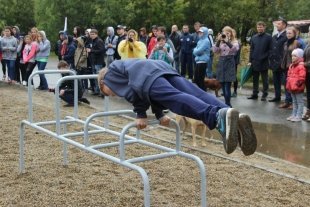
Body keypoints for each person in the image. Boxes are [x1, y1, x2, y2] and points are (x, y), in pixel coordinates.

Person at [97, 59, 257, 156]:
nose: (113, 95)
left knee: (176, 101)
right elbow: (148, 93)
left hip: (148, 76)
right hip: (161, 69)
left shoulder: (109, 75)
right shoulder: (127, 66)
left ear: (103, 83)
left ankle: (216, 117)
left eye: (107, 93)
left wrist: (140, 113)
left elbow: (134, 91)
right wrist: (159, 114)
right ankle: (233, 116)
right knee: (196, 94)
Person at [213, 26, 239, 107]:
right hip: (221, 62)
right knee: (222, 84)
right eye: (224, 32)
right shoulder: (221, 42)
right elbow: (215, 51)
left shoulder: (234, 41)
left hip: (229, 61)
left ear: (231, 33)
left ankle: (228, 104)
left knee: (227, 84)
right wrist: (218, 40)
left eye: (228, 32)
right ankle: (226, 103)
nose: (226, 34)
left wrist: (227, 41)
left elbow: (235, 49)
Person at [247, 21, 272, 101]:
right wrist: (250, 60)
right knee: (255, 79)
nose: (259, 28)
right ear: (256, 28)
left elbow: (270, 50)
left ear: (264, 27)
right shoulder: (254, 37)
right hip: (255, 61)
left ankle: (264, 94)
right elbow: (251, 49)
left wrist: (265, 57)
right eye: (258, 27)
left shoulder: (268, 37)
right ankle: (255, 94)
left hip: (264, 61)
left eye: (261, 27)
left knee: (265, 80)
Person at [279, 26, 301, 109]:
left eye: (290, 33)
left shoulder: (297, 43)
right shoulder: (285, 43)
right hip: (285, 67)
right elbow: (284, 55)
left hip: (294, 67)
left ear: (294, 34)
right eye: (287, 33)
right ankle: (287, 101)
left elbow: (300, 55)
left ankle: (293, 102)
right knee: (286, 85)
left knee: (292, 85)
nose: (288, 35)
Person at [269, 18, 288, 102]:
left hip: (283, 63)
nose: (277, 25)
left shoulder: (286, 36)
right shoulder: (274, 36)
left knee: (285, 82)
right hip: (274, 62)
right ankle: (277, 96)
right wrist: (270, 57)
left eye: (279, 24)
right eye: (277, 24)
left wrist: (282, 61)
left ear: (284, 25)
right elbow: (271, 49)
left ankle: (288, 99)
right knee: (276, 81)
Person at [286, 48, 306, 122]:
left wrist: (297, 85)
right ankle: (294, 114)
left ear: (299, 57)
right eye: (292, 56)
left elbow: (302, 77)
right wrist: (288, 82)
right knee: (294, 102)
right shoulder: (291, 66)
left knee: (299, 102)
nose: (293, 57)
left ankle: (299, 116)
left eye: (295, 56)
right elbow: (288, 75)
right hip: (292, 87)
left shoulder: (301, 66)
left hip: (298, 88)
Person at [86, 29, 105, 95]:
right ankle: (97, 91)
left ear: (96, 34)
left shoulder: (99, 41)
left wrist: (91, 51)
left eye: (93, 34)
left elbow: (101, 50)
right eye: (91, 34)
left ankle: (102, 91)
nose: (92, 35)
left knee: (99, 77)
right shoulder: (91, 41)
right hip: (93, 62)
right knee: (95, 77)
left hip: (98, 62)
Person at [193, 26, 210, 91]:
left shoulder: (206, 41)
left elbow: (199, 51)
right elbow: (195, 51)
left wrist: (195, 51)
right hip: (198, 62)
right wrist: (196, 51)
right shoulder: (200, 41)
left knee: (200, 79)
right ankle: (200, 92)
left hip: (203, 62)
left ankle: (203, 93)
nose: (199, 33)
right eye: (199, 32)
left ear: (205, 33)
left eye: (201, 32)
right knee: (196, 80)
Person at [302, 35, 310, 121]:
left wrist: (304, 64)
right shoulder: (308, 43)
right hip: (308, 72)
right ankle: (308, 110)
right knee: (308, 93)